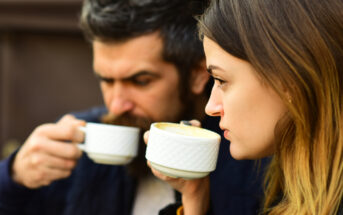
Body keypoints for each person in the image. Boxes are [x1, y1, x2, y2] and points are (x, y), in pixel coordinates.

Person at [0, 0, 266, 215]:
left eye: (140, 81)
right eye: (106, 80)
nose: (116, 103)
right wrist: (15, 177)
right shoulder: (77, 147)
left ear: (198, 73)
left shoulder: (250, 158)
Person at [150, 0, 343, 214]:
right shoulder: (293, 187)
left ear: (291, 80)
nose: (211, 108)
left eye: (221, 80)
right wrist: (194, 197)